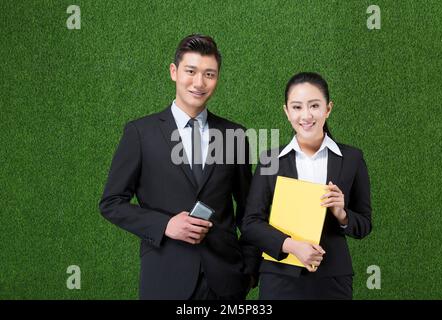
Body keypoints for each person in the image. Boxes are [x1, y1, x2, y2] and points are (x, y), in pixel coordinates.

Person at [99, 34, 259, 300]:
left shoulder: (235, 134)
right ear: (174, 72)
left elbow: (250, 211)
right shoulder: (140, 132)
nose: (199, 82)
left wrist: (250, 270)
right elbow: (111, 202)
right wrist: (165, 225)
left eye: (209, 74)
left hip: (226, 282)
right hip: (165, 280)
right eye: (191, 71)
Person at [241, 72, 372, 300]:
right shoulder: (270, 160)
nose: (306, 115)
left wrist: (342, 215)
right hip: (279, 277)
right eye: (297, 107)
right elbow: (251, 223)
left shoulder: (352, 158)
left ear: (328, 109)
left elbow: (364, 224)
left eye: (314, 106)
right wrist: (291, 246)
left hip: (333, 279)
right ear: (286, 111)